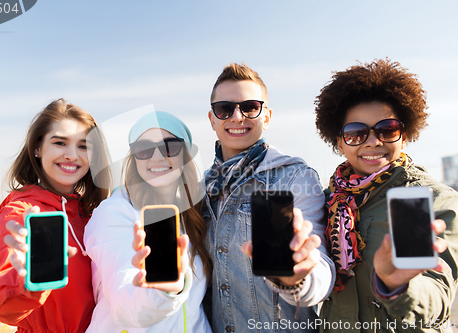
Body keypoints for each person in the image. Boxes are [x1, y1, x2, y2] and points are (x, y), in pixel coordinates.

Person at [314, 58, 458, 332]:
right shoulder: (325, 202)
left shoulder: (433, 199)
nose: (372, 141)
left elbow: (439, 296)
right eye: (356, 133)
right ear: (339, 142)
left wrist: (397, 286)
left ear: (404, 137)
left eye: (387, 129)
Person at [204, 63, 335, 332]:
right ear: (212, 119)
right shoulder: (201, 189)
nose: (237, 117)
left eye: (250, 107)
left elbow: (320, 266)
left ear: (267, 116)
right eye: (224, 109)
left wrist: (296, 279)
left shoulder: (295, 177)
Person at [0, 98, 110, 333]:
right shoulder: (22, 214)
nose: (72, 155)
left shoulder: (94, 215)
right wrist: (28, 282)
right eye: (60, 143)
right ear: (38, 148)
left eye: (83, 146)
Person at [84, 111, 212, 332]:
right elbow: (127, 308)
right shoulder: (115, 213)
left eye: (170, 147)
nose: (157, 157)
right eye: (144, 149)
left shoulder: (194, 216)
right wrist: (162, 291)